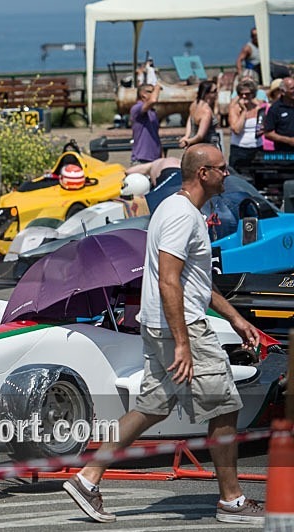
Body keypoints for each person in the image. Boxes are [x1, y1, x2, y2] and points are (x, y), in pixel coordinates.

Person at [63, 144, 264, 525]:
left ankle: (87, 479)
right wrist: (185, 343)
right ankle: (232, 502)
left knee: (153, 406)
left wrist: (236, 318)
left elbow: (195, 281)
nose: (227, 173)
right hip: (182, 326)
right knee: (225, 406)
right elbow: (169, 279)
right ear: (203, 173)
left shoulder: (176, 210)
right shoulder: (181, 216)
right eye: (221, 169)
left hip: (164, 324)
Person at [228, 79, 264, 168]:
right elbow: (236, 129)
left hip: (257, 148)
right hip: (239, 149)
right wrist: (244, 111)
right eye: (241, 94)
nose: (244, 96)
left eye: (247, 94)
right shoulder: (234, 109)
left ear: (253, 94)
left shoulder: (258, 108)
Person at [179, 80, 221, 150]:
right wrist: (188, 141)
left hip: (193, 145)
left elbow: (190, 119)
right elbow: (200, 135)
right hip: (208, 147)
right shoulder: (206, 111)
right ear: (207, 94)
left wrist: (187, 136)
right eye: (214, 91)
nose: (217, 93)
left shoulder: (194, 104)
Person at [130, 83, 162, 165]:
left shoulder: (152, 112)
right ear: (143, 94)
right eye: (151, 92)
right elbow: (153, 100)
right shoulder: (137, 108)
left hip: (155, 159)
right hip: (141, 159)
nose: (154, 94)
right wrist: (157, 87)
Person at [263, 76, 294, 152]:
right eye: (292, 88)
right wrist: (289, 140)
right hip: (285, 154)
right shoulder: (275, 109)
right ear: (283, 92)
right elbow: (267, 133)